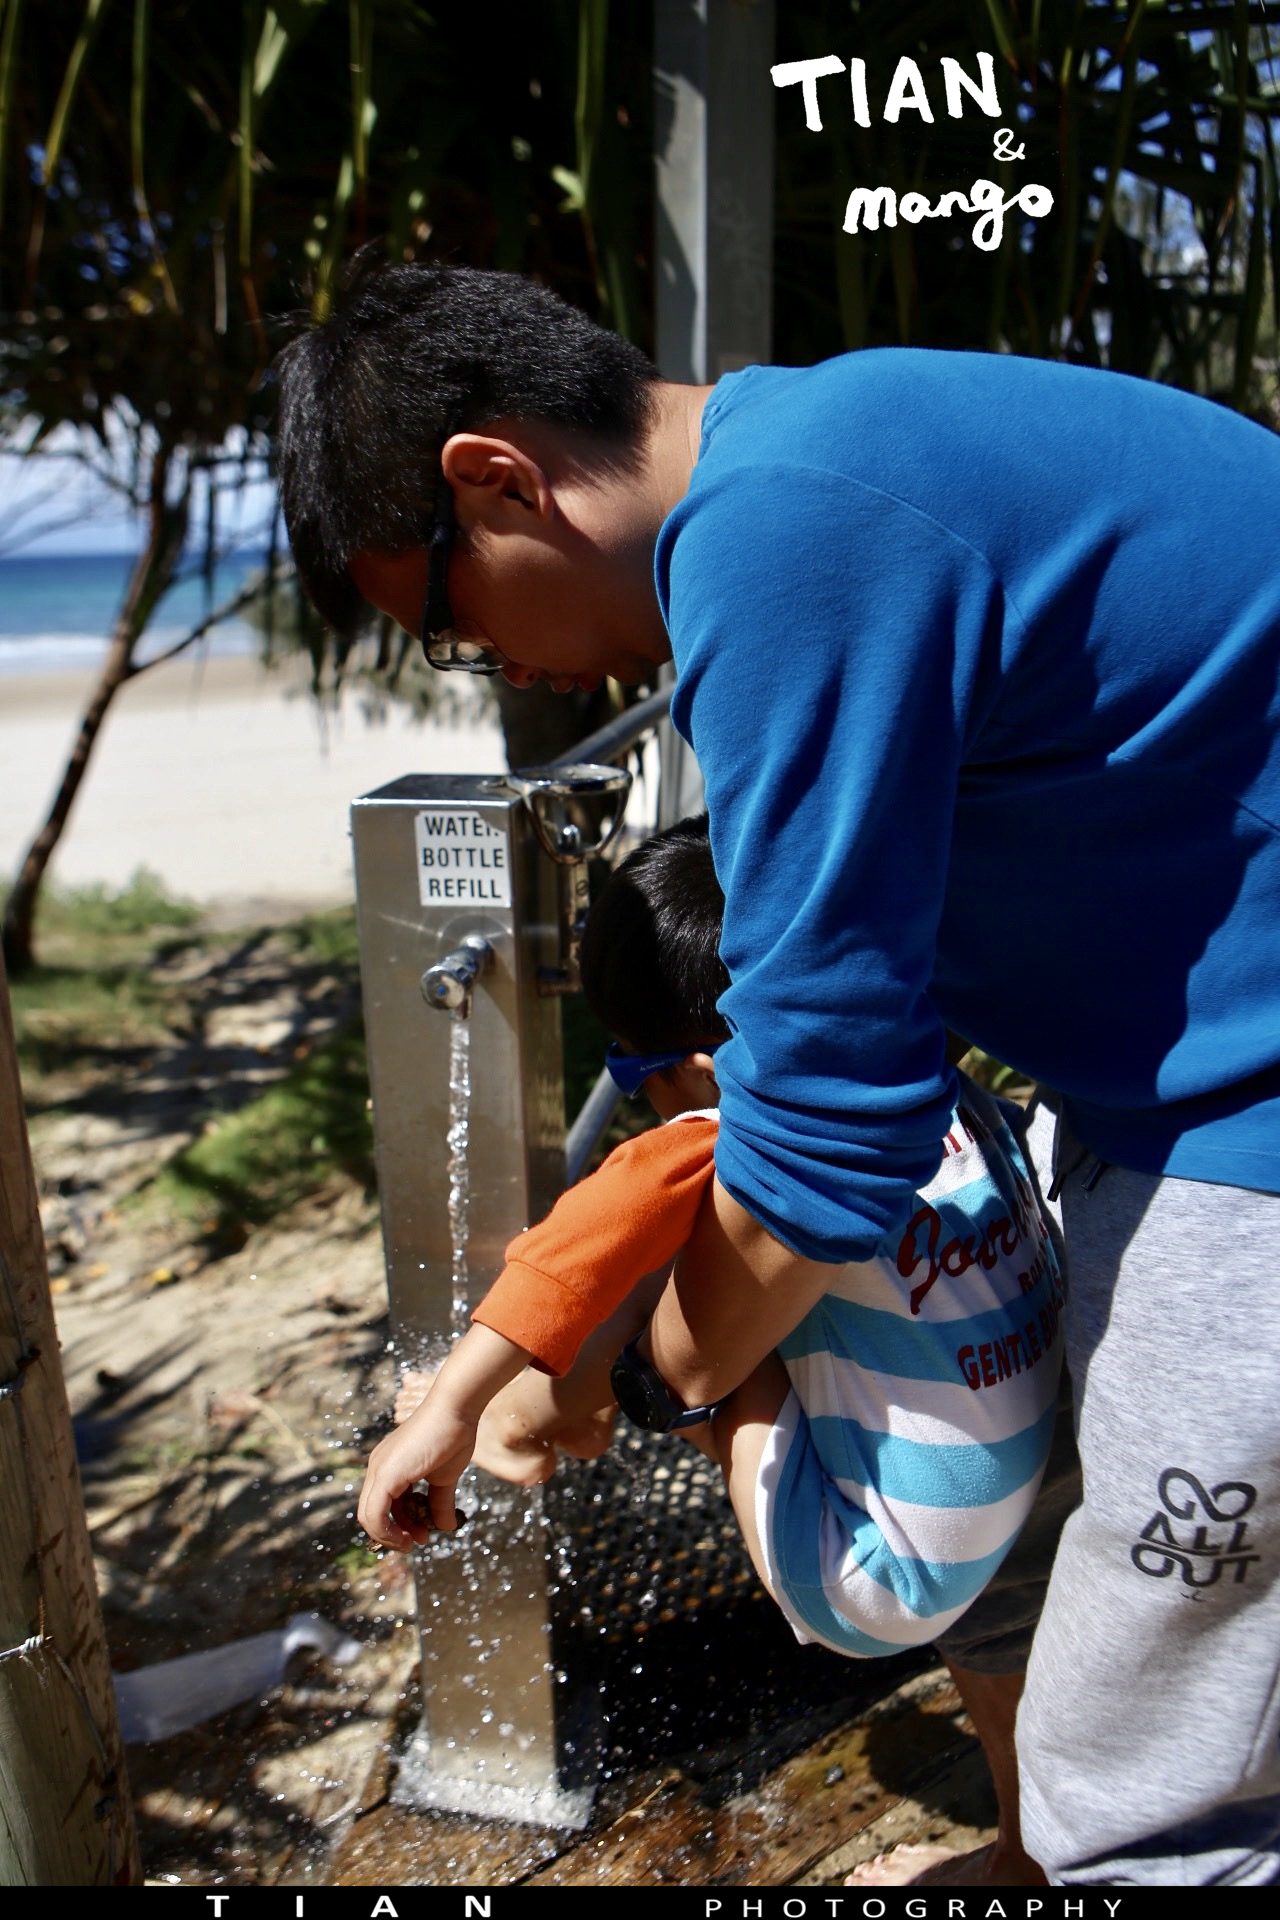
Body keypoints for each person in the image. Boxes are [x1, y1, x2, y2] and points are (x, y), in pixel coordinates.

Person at [275, 256, 1280, 1887]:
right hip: (1183, 1079)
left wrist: (652, 1379)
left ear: (497, 476)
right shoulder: (834, 438)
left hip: (1252, 1115)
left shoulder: (781, 534)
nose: (500, 671)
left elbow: (823, 1145)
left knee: (1151, 1798)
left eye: (449, 616)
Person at [358, 816, 1062, 1824]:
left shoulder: (738, 1121)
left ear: (693, 1066)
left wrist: (447, 1413)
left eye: (632, 1075)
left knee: (653, 1264)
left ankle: (523, 1419)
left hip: (867, 1579)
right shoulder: (938, 1078)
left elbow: (566, 1254)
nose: (644, 1099)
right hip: (1027, 1469)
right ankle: (536, 1415)